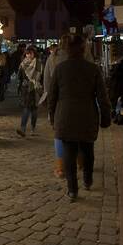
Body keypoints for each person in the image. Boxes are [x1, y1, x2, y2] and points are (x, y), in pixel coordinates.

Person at [48, 34, 111, 202]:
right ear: (84, 50)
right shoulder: (93, 69)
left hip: (65, 117)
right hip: (87, 116)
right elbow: (103, 97)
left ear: (67, 50)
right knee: (88, 150)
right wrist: (106, 117)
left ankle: (72, 189)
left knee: (69, 154)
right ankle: (88, 180)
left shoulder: (60, 69)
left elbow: (52, 96)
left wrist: (52, 117)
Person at [42, 36, 70, 178]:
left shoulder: (53, 58)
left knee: (59, 134)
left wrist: (50, 107)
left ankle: (60, 167)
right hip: (80, 102)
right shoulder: (83, 56)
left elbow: (47, 83)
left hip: (59, 101)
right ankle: (81, 162)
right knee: (78, 133)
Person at [17, 46, 41, 137]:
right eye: (27, 53)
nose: (28, 55)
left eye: (30, 53)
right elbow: (19, 76)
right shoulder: (23, 63)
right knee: (26, 108)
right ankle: (23, 129)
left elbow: (39, 76)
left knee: (34, 109)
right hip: (25, 89)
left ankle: (33, 128)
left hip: (35, 88)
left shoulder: (38, 63)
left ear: (34, 54)